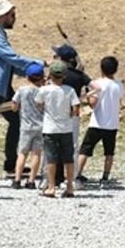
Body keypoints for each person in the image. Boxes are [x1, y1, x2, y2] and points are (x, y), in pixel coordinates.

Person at [0, 0, 44, 180]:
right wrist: (39, 64)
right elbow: (12, 58)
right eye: (11, 15)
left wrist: (32, 72)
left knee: (16, 121)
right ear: (2, 16)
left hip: (2, 86)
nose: (14, 18)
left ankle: (11, 163)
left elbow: (9, 63)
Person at [76, 56, 124, 183]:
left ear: (101, 68)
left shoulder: (98, 83)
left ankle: (77, 173)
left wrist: (87, 94)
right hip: (112, 123)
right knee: (109, 152)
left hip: (97, 122)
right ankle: (105, 176)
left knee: (85, 149)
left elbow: (93, 103)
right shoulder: (119, 85)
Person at [37, 61, 81, 198]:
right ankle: (69, 187)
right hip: (66, 128)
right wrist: (70, 115)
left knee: (51, 158)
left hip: (50, 128)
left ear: (50, 75)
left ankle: (51, 187)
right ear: (65, 76)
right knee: (68, 159)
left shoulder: (44, 90)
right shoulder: (70, 90)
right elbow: (76, 108)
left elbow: (39, 104)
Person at [52, 44, 91, 186]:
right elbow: (95, 87)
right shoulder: (78, 75)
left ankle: (54, 178)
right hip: (73, 113)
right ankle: (72, 178)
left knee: (54, 145)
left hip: (56, 114)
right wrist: (84, 97)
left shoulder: (55, 73)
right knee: (71, 146)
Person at [12, 63, 46, 189]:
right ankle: (31, 181)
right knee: (36, 154)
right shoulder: (43, 91)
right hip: (41, 126)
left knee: (22, 153)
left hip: (26, 126)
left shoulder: (22, 90)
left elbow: (14, 107)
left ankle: (17, 179)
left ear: (27, 77)